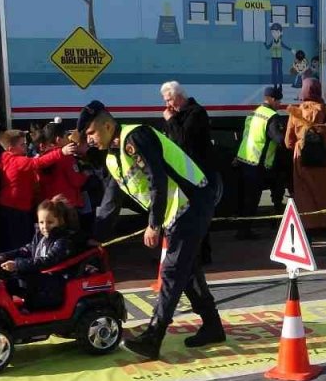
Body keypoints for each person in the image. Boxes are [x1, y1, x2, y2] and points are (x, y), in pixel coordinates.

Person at [79, 100, 225, 360]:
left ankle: (153, 337)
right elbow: (110, 203)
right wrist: (94, 239)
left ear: (107, 125)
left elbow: (158, 178)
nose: (89, 139)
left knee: (171, 271)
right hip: (177, 210)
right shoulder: (113, 158)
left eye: (91, 132)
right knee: (187, 270)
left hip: (192, 201)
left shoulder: (136, 136)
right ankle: (213, 326)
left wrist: (153, 224)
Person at [285, 77, 326, 254]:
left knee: (307, 204)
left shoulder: (295, 113)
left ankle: (308, 248)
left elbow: (288, 143)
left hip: (304, 168)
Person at [0, 197, 83, 311]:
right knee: (8, 280)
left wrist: (17, 264)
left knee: (21, 278)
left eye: (50, 222)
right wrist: (4, 256)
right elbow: (27, 250)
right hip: (41, 277)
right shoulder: (40, 236)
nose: (45, 226)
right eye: (41, 222)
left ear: (60, 221)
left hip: (54, 284)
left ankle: (29, 310)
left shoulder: (63, 241)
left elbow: (47, 260)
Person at [162, 81, 217, 264]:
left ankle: (203, 254)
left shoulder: (196, 113)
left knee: (199, 212)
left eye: (169, 100)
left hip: (198, 172)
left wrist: (171, 120)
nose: (167, 104)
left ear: (179, 97)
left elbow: (183, 139)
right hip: (183, 172)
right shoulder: (176, 114)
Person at [0, 129, 73, 252]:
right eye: (22, 144)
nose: (25, 146)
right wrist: (61, 152)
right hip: (16, 207)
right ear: (11, 149)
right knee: (19, 241)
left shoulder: (5, 158)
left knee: (13, 240)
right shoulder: (17, 161)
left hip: (10, 205)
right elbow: (38, 163)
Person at [234, 86, 287, 240]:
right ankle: (245, 231)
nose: (279, 104)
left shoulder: (254, 113)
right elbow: (280, 139)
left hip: (245, 159)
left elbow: (247, 135)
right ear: (272, 100)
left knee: (245, 197)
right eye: (278, 101)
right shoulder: (272, 117)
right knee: (253, 198)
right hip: (258, 163)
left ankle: (242, 228)